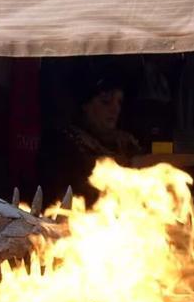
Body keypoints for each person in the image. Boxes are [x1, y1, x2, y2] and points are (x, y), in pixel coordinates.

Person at [37, 67, 141, 206]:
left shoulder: (125, 143)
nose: (115, 109)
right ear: (85, 105)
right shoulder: (61, 142)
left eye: (119, 102)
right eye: (106, 101)